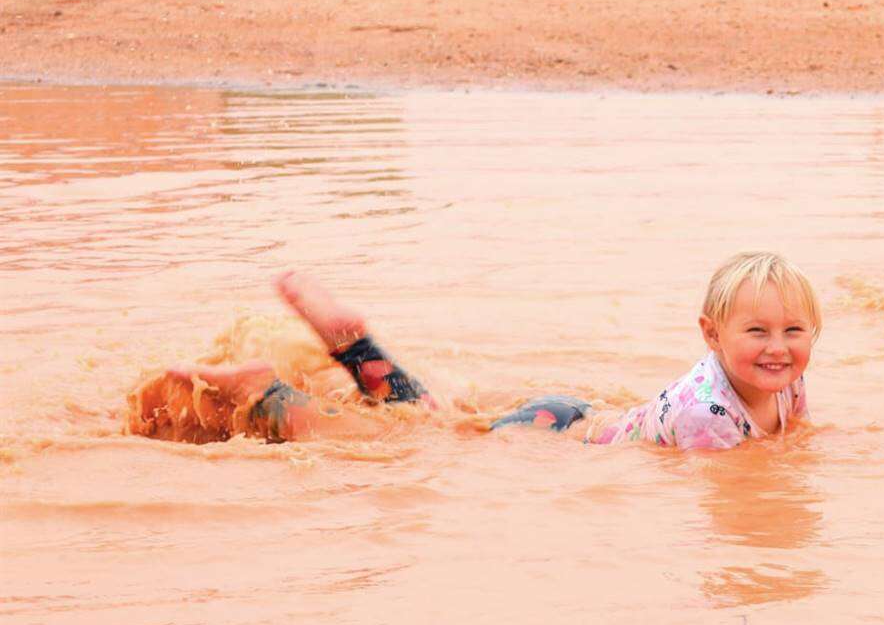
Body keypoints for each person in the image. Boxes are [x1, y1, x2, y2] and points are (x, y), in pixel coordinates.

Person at [130, 252, 817, 451]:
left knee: (430, 419)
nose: (777, 348)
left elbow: (797, 435)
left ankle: (352, 344)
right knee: (383, 441)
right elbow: (728, 498)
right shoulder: (710, 420)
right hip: (552, 434)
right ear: (710, 336)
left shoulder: (783, 382)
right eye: (756, 332)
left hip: (580, 416)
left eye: (792, 332)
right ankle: (264, 393)